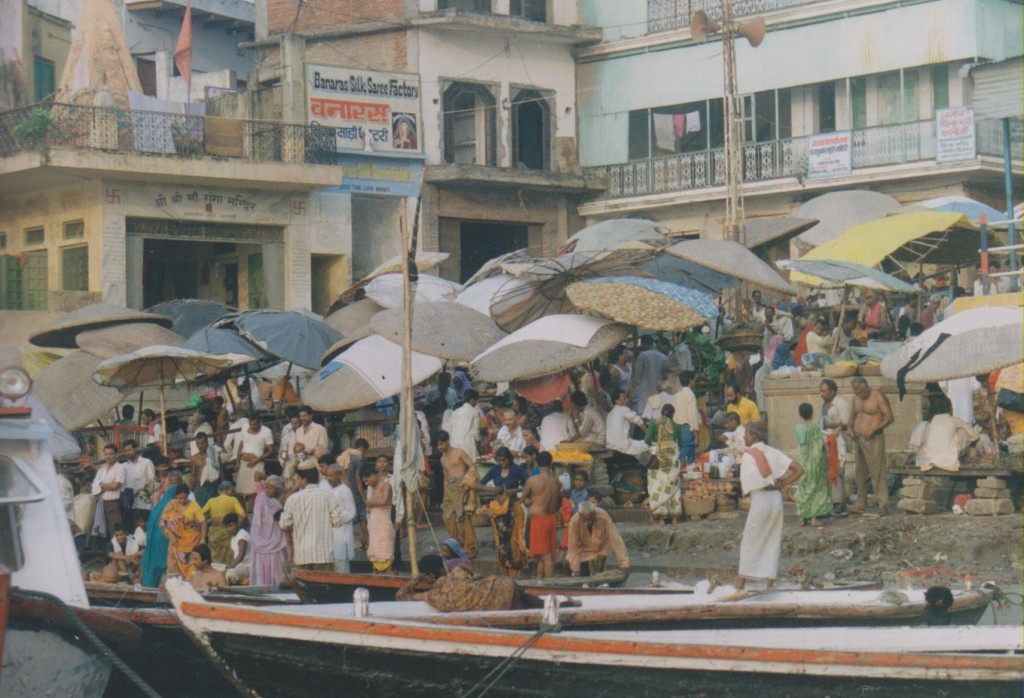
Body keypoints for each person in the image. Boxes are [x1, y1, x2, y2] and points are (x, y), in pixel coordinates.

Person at [735, 422, 804, 590]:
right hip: (776, 500)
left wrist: (774, 485)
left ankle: (740, 583)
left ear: (754, 436)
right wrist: (782, 484)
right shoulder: (773, 452)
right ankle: (769, 583)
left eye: (747, 434)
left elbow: (756, 482)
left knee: (750, 541)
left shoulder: (749, 455)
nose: (744, 437)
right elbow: (799, 470)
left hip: (761, 499)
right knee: (772, 540)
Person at [396, 554, 582, 612]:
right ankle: (564, 604)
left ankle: (564, 606)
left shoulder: (432, 596)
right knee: (535, 602)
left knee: (532, 609)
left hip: (499, 603)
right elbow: (466, 565)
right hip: (504, 585)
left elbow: (400, 596)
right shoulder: (456, 573)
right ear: (440, 569)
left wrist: (417, 579)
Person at [280, 465, 343, 572]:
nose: (298, 482)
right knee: (324, 586)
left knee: (304, 586)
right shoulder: (329, 497)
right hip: (323, 553)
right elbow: (338, 522)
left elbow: (283, 524)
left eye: (298, 479)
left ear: (305, 480)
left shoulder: (292, 499)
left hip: (302, 554)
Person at [480, 447, 529, 577]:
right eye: (499, 461)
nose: (502, 463)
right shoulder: (495, 470)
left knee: (514, 540)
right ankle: (506, 571)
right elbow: (480, 484)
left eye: (504, 460)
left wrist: (515, 491)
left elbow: (529, 484)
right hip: (498, 510)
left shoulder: (517, 469)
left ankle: (516, 571)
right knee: (500, 541)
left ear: (510, 458)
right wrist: (491, 490)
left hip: (513, 507)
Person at [850, 377, 894, 516]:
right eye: (857, 393)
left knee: (877, 471)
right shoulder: (855, 399)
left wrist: (875, 429)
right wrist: (849, 428)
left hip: (873, 438)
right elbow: (853, 416)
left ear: (866, 386)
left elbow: (889, 417)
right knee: (860, 472)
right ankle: (860, 503)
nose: (859, 395)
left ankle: (883, 504)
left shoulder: (877, 396)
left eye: (861, 392)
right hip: (858, 438)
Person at [436, 430, 479, 559]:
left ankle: (470, 548)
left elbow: (472, 467)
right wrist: (445, 491)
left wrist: (468, 482)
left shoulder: (459, 452)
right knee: (448, 518)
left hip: (462, 486)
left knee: (463, 518)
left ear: (447, 441)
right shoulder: (442, 459)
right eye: (437, 445)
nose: (439, 447)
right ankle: (457, 546)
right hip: (449, 489)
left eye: (441, 444)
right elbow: (445, 476)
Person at [644, 404, 688, 525]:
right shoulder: (677, 427)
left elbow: (647, 440)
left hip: (658, 461)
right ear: (672, 415)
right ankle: (674, 518)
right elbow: (681, 444)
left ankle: (660, 518)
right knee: (672, 487)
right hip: (672, 461)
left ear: (661, 413)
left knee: (657, 487)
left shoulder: (653, 423)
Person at [522, 451, 562, 580]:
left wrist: (528, 502)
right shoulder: (556, 481)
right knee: (542, 554)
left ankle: (549, 584)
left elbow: (523, 498)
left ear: (537, 463)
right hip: (551, 519)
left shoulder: (533, 480)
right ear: (551, 463)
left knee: (546, 556)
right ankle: (539, 581)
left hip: (539, 521)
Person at [566, 502, 630, 578]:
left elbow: (616, 539)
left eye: (590, 519)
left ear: (594, 514)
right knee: (582, 574)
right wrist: (576, 570)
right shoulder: (574, 522)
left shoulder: (603, 516)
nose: (588, 522)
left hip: (601, 546)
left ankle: (599, 583)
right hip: (584, 548)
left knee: (599, 565)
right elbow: (573, 547)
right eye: (585, 520)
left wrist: (624, 564)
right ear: (580, 516)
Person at [141, 470, 183, 587]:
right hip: (165, 539)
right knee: (165, 563)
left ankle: (150, 585)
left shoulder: (159, 503)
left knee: (153, 562)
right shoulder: (176, 503)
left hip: (154, 539)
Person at [911, 406, 981, 472]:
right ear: (950, 409)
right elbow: (973, 434)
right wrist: (974, 441)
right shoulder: (955, 420)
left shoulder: (932, 421)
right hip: (949, 460)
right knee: (963, 430)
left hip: (931, 460)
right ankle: (961, 457)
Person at [818, 379, 853, 516]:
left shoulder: (841, 404)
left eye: (824, 391)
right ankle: (833, 500)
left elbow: (846, 424)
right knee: (830, 469)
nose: (821, 394)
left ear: (833, 391)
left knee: (838, 469)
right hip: (828, 440)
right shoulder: (826, 403)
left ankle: (840, 503)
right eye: (820, 391)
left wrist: (829, 426)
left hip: (839, 440)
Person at [795, 403, 833, 527]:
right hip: (815, 462)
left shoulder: (798, 428)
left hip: (803, 461)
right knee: (815, 488)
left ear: (800, 414)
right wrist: (830, 439)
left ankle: (802, 517)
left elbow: (802, 444)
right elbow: (819, 445)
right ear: (812, 413)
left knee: (804, 487)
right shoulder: (815, 428)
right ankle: (814, 518)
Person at [250, 473, 288, 586]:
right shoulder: (261, 497)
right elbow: (257, 475)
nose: (267, 490)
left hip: (276, 540)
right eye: (266, 487)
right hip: (260, 539)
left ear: (278, 489)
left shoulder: (283, 500)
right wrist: (269, 479)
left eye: (271, 488)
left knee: (277, 566)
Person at [160, 483, 205, 580]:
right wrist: (170, 534)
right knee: (174, 568)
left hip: (192, 541)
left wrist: (203, 538)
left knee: (190, 567)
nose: (182, 500)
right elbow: (163, 523)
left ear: (188, 496)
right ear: (176, 496)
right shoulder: (172, 505)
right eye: (180, 498)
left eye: (185, 498)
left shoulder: (194, 505)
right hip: (175, 542)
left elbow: (203, 522)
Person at [234, 414, 274, 513]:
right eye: (251, 424)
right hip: (244, 463)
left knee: (256, 491)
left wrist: (257, 460)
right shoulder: (244, 428)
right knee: (240, 491)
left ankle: (258, 512)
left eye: (255, 424)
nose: (252, 426)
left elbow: (270, 451)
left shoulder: (266, 431)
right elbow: (241, 445)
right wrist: (237, 461)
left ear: (259, 422)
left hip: (257, 463)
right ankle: (244, 515)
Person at [360, 464, 396, 574]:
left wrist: (369, 503)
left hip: (384, 525)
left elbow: (383, 501)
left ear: (372, 475)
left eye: (367, 480)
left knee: (385, 553)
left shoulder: (386, 485)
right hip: (374, 526)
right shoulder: (373, 488)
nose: (367, 483)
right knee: (374, 553)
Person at [201, 480, 247, 565]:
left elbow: (201, 514)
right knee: (227, 555)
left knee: (214, 554)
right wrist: (238, 525)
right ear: (230, 490)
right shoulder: (232, 500)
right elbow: (243, 515)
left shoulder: (211, 501)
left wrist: (210, 520)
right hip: (227, 530)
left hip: (213, 532)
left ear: (219, 491)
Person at [337, 438, 369, 550]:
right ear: (362, 448)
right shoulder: (359, 459)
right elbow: (358, 478)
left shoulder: (345, 456)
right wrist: (363, 496)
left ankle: (353, 543)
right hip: (355, 491)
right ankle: (368, 543)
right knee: (363, 519)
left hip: (345, 490)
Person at [605, 388, 651, 466]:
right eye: (624, 398)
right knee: (649, 446)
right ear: (617, 401)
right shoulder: (623, 409)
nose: (627, 400)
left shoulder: (610, 414)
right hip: (621, 446)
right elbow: (638, 421)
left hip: (610, 444)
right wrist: (649, 435)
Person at [325, 463, 356, 573]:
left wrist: (337, 518)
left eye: (331, 476)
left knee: (341, 562)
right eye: (327, 476)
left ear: (339, 476)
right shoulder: (329, 490)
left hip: (342, 531)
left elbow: (352, 512)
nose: (328, 478)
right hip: (331, 532)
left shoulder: (344, 490)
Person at [92, 444, 126, 539]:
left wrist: (100, 486)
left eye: (111, 454)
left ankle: (118, 552)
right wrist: (107, 486)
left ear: (116, 455)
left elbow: (115, 485)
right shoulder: (102, 470)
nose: (108, 456)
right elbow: (94, 488)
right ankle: (108, 553)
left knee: (115, 532)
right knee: (103, 532)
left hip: (114, 504)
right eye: (106, 454)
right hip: (102, 504)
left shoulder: (120, 467)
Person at [121, 439, 156, 530]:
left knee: (144, 529)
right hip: (130, 505)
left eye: (130, 450)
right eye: (125, 451)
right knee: (133, 530)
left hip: (144, 504)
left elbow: (152, 482)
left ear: (136, 449)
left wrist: (141, 492)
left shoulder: (146, 462)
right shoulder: (124, 466)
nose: (128, 453)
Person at [630, 335, 667, 412]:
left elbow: (637, 375)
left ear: (643, 344)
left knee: (645, 414)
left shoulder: (642, 355)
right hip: (659, 390)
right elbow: (665, 374)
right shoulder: (663, 356)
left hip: (645, 391)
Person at [190, 432, 222, 507]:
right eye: (198, 444)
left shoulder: (214, 454)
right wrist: (190, 490)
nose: (200, 446)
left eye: (203, 443)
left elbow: (220, 470)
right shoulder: (194, 458)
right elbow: (193, 475)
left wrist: (222, 485)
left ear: (207, 442)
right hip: (200, 488)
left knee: (214, 509)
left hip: (213, 486)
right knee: (202, 510)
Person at [448, 389, 481, 460]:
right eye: (476, 400)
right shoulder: (474, 412)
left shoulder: (455, 412)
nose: (476, 403)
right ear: (472, 399)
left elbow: (451, 429)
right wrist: (478, 443)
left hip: (454, 444)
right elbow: (476, 430)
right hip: (468, 445)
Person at [222, 513, 251, 585]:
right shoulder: (233, 536)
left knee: (230, 574)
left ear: (237, 524)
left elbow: (241, 556)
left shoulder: (242, 535)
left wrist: (229, 568)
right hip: (239, 566)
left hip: (248, 567)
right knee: (214, 566)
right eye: (226, 527)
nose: (228, 529)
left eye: (231, 526)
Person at [277, 406, 302, 484]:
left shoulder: (304, 435)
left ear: (301, 422)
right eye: (292, 424)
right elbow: (283, 452)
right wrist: (284, 455)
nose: (294, 426)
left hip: (301, 465)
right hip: (288, 465)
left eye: (296, 423)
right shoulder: (287, 436)